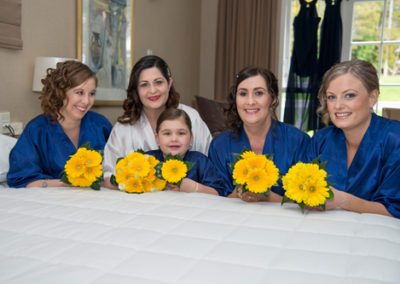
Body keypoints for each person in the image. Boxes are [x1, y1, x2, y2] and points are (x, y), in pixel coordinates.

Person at [307, 59, 400, 218]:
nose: (337, 106)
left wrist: (342, 201)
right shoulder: (321, 140)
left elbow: (394, 211)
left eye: (349, 96)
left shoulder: (395, 139)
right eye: (331, 97)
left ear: (372, 97)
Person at [103, 55, 212, 188]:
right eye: (144, 85)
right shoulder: (124, 127)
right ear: (136, 90)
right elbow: (108, 176)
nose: (152, 90)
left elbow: (210, 167)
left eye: (158, 82)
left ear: (169, 83)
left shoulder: (191, 117)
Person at [208, 66, 310, 200]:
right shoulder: (220, 145)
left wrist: (267, 197)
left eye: (259, 93)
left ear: (272, 98)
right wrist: (236, 195)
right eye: (243, 94)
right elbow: (214, 199)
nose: (250, 102)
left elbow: (308, 200)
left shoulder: (298, 141)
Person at [7, 60, 112, 188]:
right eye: (79, 92)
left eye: (91, 94)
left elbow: (116, 168)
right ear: (60, 92)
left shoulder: (100, 125)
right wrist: (71, 182)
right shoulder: (37, 130)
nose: (86, 101)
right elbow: (22, 180)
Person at [147, 108, 223, 195]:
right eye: (167, 133)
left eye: (181, 133)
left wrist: (195, 188)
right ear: (157, 138)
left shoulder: (200, 162)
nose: (174, 139)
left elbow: (219, 193)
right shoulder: (148, 161)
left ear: (191, 138)